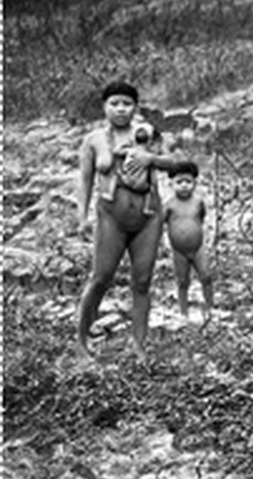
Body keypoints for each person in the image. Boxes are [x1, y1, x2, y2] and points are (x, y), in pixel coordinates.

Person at [76, 81, 182, 362]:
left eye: (126, 103)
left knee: (143, 281)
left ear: (135, 106)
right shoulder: (94, 139)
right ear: (104, 106)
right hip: (111, 215)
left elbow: (174, 164)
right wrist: (81, 218)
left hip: (149, 216)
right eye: (114, 103)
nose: (121, 109)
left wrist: (151, 158)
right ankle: (81, 341)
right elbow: (85, 179)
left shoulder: (147, 133)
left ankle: (138, 346)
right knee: (100, 278)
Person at [163, 160, 214, 325]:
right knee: (182, 281)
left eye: (188, 182)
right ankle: (183, 312)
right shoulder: (169, 205)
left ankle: (210, 308)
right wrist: (163, 242)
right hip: (178, 250)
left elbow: (202, 218)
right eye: (179, 182)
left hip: (198, 247)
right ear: (171, 184)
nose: (184, 185)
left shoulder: (198, 202)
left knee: (206, 276)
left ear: (195, 183)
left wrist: (206, 237)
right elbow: (160, 225)